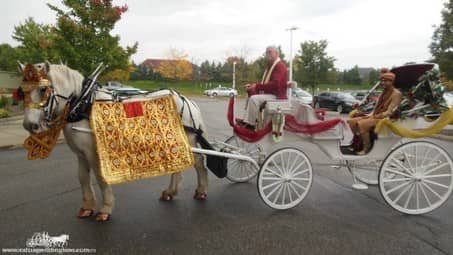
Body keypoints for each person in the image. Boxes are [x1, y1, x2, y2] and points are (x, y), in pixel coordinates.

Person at [347, 68, 402, 154]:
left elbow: (390, 112)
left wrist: (377, 116)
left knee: (362, 124)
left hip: (384, 119)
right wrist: (370, 114)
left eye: (386, 81)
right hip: (375, 116)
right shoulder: (383, 92)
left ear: (391, 82)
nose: (383, 83)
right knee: (351, 121)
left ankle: (366, 148)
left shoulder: (396, 94)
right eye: (382, 81)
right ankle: (360, 142)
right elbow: (376, 107)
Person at [242, 46, 288, 129]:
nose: (267, 54)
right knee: (250, 98)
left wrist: (257, 86)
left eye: (270, 52)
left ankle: (250, 124)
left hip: (278, 96)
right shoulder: (270, 67)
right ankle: (251, 120)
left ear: (277, 54)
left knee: (254, 99)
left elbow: (275, 84)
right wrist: (253, 86)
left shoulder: (279, 66)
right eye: (266, 52)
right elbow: (265, 84)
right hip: (272, 95)